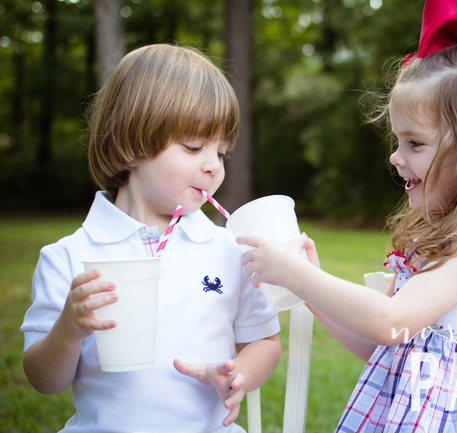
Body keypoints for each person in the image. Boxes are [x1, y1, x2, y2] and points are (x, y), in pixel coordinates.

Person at [239, 0, 457, 431]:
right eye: (397, 141)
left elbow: (390, 322)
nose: (396, 157)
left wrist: (296, 274)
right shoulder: (434, 242)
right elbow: (381, 343)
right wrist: (313, 286)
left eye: (415, 144)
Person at [21, 44, 281, 432]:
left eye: (221, 152)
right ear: (130, 147)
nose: (212, 166)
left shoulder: (229, 249)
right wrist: (68, 329)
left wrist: (239, 373)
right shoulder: (69, 257)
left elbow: (265, 341)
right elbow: (45, 380)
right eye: (194, 147)